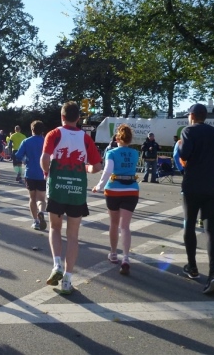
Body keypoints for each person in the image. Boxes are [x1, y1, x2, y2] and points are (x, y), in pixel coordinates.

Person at [40, 101, 102, 294]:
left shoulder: (54, 134)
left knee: (55, 228)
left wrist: (47, 171)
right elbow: (97, 166)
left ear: (62, 116)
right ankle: (67, 280)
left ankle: (57, 264)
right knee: (73, 236)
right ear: (78, 118)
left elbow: (44, 158)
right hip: (77, 191)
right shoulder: (85, 138)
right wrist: (85, 168)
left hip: (57, 189)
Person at [180, 103, 214, 295]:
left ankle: (192, 267)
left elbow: (184, 154)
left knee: (190, 225)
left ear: (192, 116)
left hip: (193, 185)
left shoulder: (188, 131)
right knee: (210, 230)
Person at [92, 124, 139, 275]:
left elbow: (107, 171)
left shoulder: (111, 152)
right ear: (130, 139)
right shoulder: (135, 153)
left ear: (117, 138)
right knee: (125, 226)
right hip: (131, 189)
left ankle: (113, 253)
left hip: (113, 189)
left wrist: (99, 186)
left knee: (113, 223)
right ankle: (126, 257)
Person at [15, 120, 47, 231]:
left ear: (32, 129)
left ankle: (35, 221)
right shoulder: (46, 141)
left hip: (30, 173)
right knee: (41, 198)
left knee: (32, 198)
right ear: (42, 131)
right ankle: (41, 212)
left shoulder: (26, 141)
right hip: (42, 173)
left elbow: (18, 155)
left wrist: (25, 159)